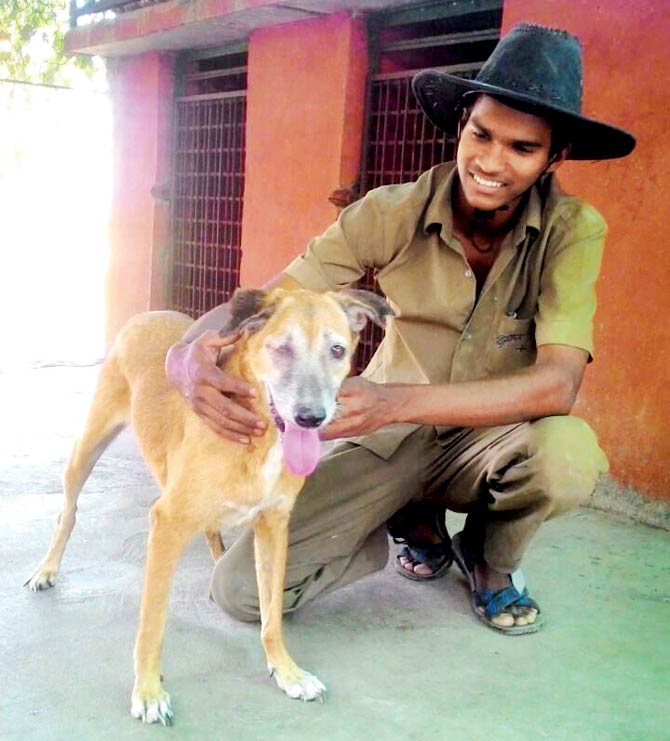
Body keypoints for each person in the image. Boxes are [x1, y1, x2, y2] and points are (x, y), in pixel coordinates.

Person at [165, 23, 635, 634]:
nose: (491, 162)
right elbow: (270, 299)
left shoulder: (575, 230)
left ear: (555, 157)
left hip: (488, 437)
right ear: (461, 123)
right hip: (386, 443)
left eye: (522, 148)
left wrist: (393, 402)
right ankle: (400, 523)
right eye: (481, 134)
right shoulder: (390, 213)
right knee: (240, 594)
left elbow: (557, 386)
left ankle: (489, 560)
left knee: (566, 456)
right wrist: (184, 356)